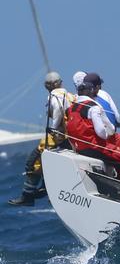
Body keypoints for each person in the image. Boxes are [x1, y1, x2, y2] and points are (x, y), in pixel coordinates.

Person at [10, 72, 77, 206]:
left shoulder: (54, 96)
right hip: (70, 136)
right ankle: (45, 188)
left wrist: (53, 127)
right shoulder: (71, 96)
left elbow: (58, 110)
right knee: (47, 161)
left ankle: (28, 196)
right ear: (61, 82)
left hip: (58, 135)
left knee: (33, 161)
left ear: (47, 86)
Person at [65, 73, 120, 180]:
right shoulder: (93, 107)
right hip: (94, 146)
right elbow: (102, 133)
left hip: (80, 148)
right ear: (91, 90)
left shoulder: (71, 108)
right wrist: (107, 134)